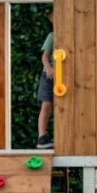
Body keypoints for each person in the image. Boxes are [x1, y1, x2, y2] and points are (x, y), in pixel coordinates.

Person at [36, 8, 55, 149]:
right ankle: (42, 136)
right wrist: (48, 67)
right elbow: (44, 56)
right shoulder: (52, 36)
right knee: (47, 104)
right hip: (49, 75)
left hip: (63, 76)